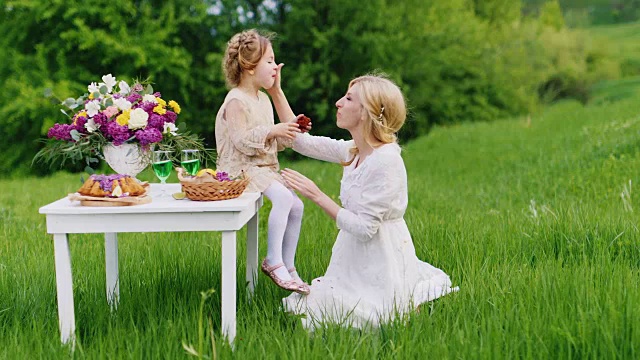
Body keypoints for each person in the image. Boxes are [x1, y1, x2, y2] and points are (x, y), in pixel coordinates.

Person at [270, 73, 458, 329]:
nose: (338, 102)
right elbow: (301, 142)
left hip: (380, 255)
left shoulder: (386, 161)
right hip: (352, 257)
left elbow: (365, 229)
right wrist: (275, 92)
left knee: (359, 315)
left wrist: (316, 195)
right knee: (308, 307)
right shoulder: (354, 150)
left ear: (366, 113)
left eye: (348, 98)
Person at [215, 29, 309, 295]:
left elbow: (275, 142)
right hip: (240, 170)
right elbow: (241, 140)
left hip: (263, 169)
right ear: (248, 66)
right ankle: (273, 260)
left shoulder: (264, 99)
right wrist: (273, 131)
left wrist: (287, 129)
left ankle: (288, 266)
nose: (275, 67)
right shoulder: (235, 100)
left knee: (297, 205)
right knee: (283, 198)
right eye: (269, 61)